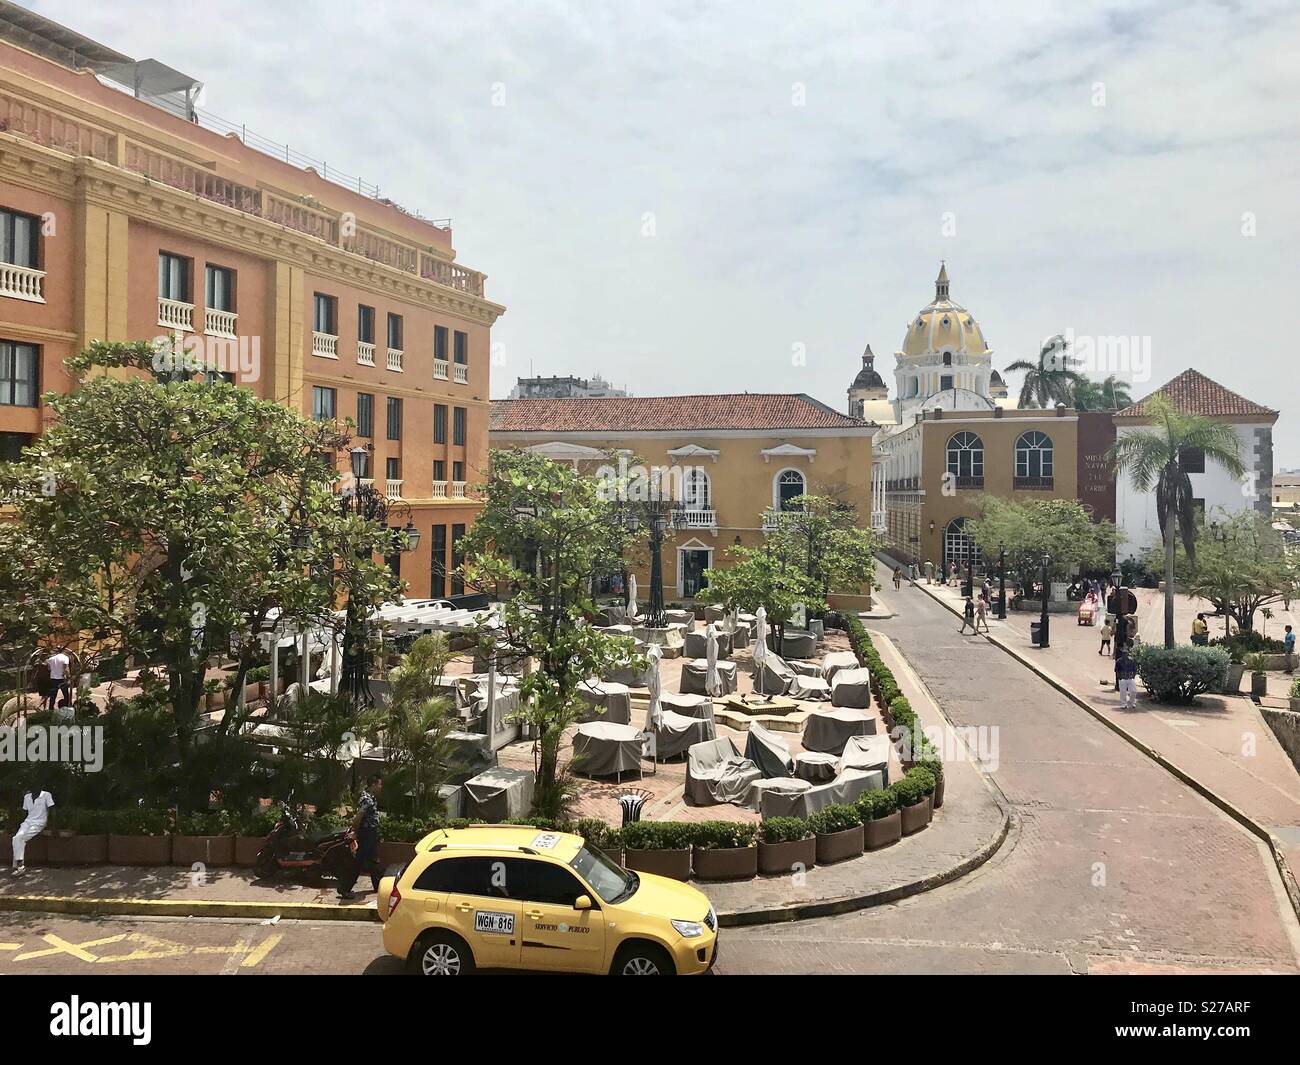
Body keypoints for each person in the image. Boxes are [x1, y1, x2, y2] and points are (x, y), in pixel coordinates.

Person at [339, 774, 383, 901]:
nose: (381, 787)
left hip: (371, 832)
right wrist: (355, 831)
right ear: (373, 785)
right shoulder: (367, 799)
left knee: (373, 860)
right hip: (366, 833)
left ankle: (378, 885)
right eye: (379, 784)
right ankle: (345, 888)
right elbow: (359, 816)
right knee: (358, 862)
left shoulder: (371, 797)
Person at [11, 783, 54, 876]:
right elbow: (25, 811)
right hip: (28, 821)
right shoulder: (27, 797)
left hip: (40, 822)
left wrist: (51, 825)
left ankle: (19, 865)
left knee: (21, 838)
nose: (36, 788)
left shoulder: (46, 795)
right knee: (16, 838)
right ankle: (19, 865)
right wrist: (20, 824)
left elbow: (52, 810)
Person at [44, 646, 71, 713]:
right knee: (66, 694)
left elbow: (49, 668)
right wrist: (69, 677)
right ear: (63, 651)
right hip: (62, 679)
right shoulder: (65, 658)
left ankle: (51, 709)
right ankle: (66, 707)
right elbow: (66, 669)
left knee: (53, 695)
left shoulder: (51, 659)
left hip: (53, 678)